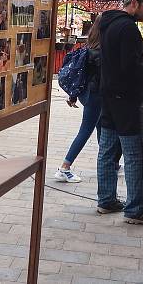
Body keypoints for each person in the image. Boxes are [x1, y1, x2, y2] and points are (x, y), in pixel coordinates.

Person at [96, 0, 143, 226]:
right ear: (134, 2)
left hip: (109, 95)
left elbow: (117, 59)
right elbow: (129, 68)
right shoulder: (128, 28)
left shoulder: (110, 23)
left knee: (108, 150)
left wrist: (140, 61)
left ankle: (106, 200)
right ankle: (135, 209)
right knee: (135, 154)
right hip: (127, 99)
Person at [55, 18, 107, 183]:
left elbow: (82, 75)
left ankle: (109, 163)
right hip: (95, 95)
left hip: (86, 94)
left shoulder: (89, 47)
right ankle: (65, 167)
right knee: (86, 130)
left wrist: (73, 95)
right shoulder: (102, 51)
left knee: (101, 126)